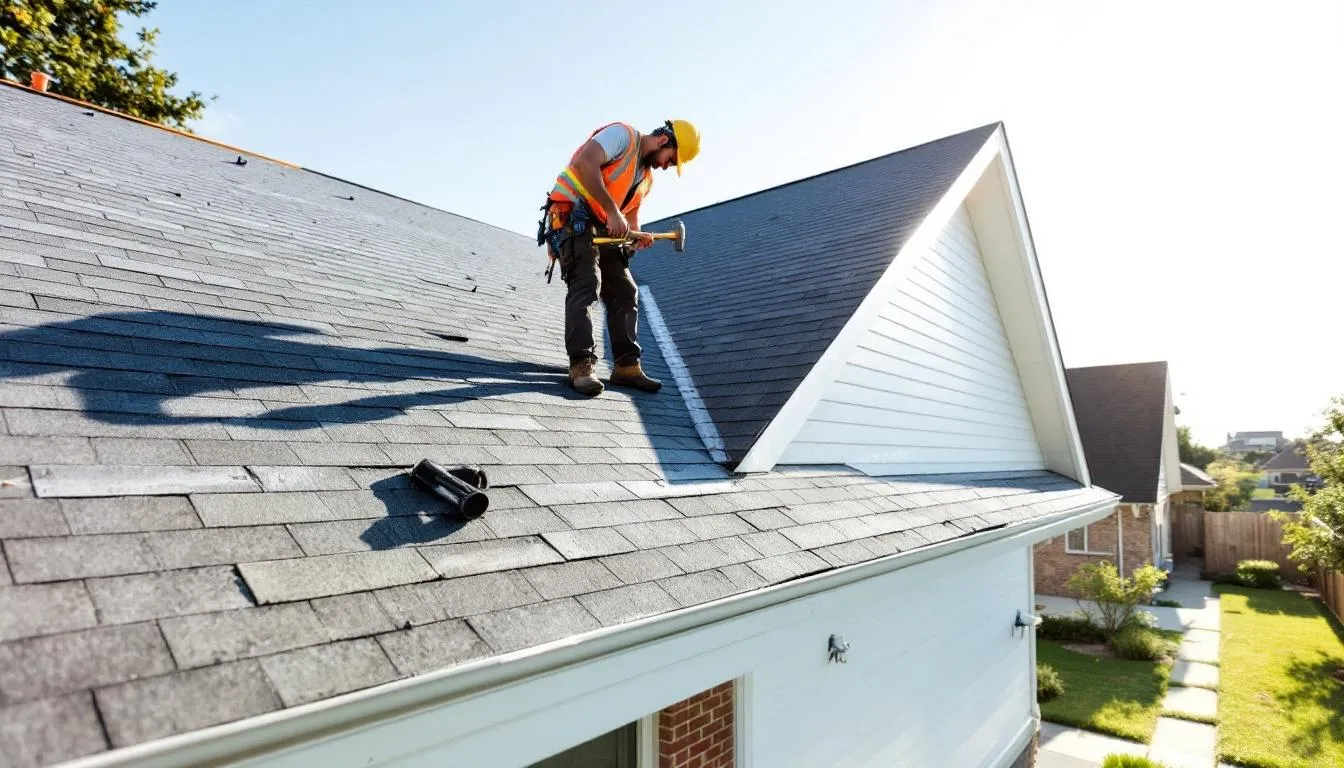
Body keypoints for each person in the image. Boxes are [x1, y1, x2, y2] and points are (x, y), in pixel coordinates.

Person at [537, 119, 700, 397]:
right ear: (663, 141)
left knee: (625, 290)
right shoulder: (622, 136)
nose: (665, 167)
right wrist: (613, 212)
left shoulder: (645, 179)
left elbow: (630, 222)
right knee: (586, 282)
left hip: (603, 225)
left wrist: (638, 237)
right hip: (571, 216)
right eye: (670, 160)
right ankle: (581, 364)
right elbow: (584, 163)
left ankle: (627, 366)